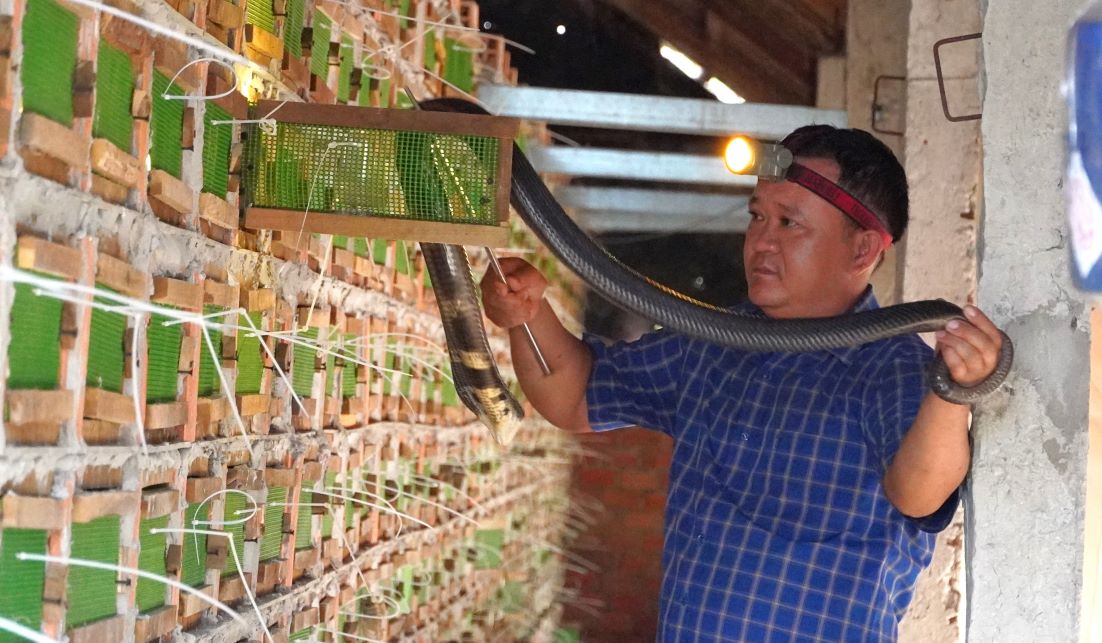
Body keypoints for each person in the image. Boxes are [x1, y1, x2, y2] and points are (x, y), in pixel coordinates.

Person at [480, 125, 1005, 642]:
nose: (761, 241)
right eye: (757, 216)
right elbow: (573, 396)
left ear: (863, 250)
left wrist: (952, 392)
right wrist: (527, 314)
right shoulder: (714, 342)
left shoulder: (892, 368)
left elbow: (919, 495)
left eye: (789, 223)